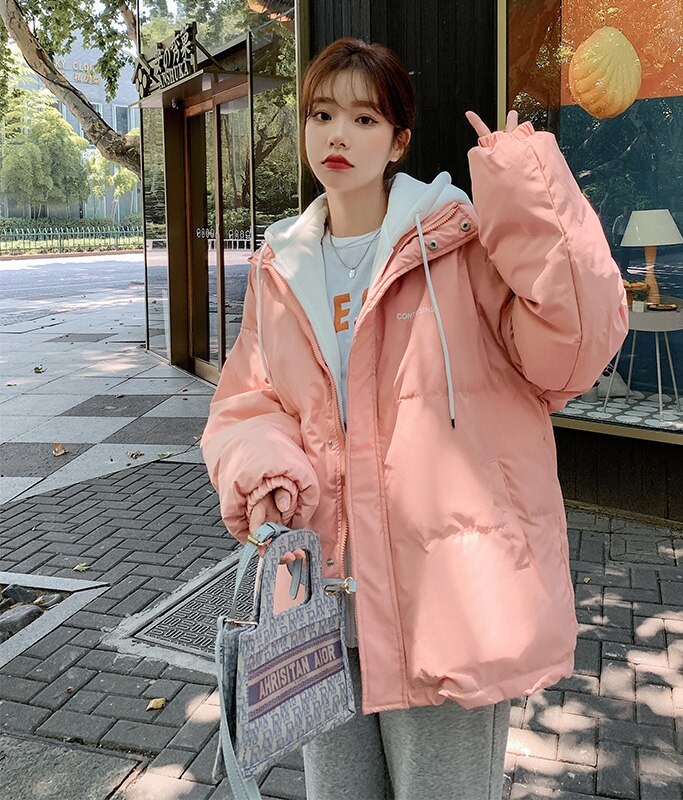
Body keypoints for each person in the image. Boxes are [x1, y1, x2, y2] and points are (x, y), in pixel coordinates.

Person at [201, 38, 627, 800]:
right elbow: (248, 399)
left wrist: (529, 192)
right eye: (322, 114)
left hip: (443, 605)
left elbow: (572, 347)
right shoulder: (280, 265)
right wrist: (264, 470)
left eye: (364, 119)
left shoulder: (458, 244)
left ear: (398, 141)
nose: (338, 134)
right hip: (321, 603)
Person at [611, 204, 631, 271]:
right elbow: (614, 229)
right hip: (621, 236)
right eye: (627, 210)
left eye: (629, 210)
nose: (628, 211)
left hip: (628, 237)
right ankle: (622, 267)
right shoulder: (619, 219)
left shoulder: (630, 219)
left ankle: (626, 267)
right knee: (622, 252)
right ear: (624, 210)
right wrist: (614, 239)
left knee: (628, 253)